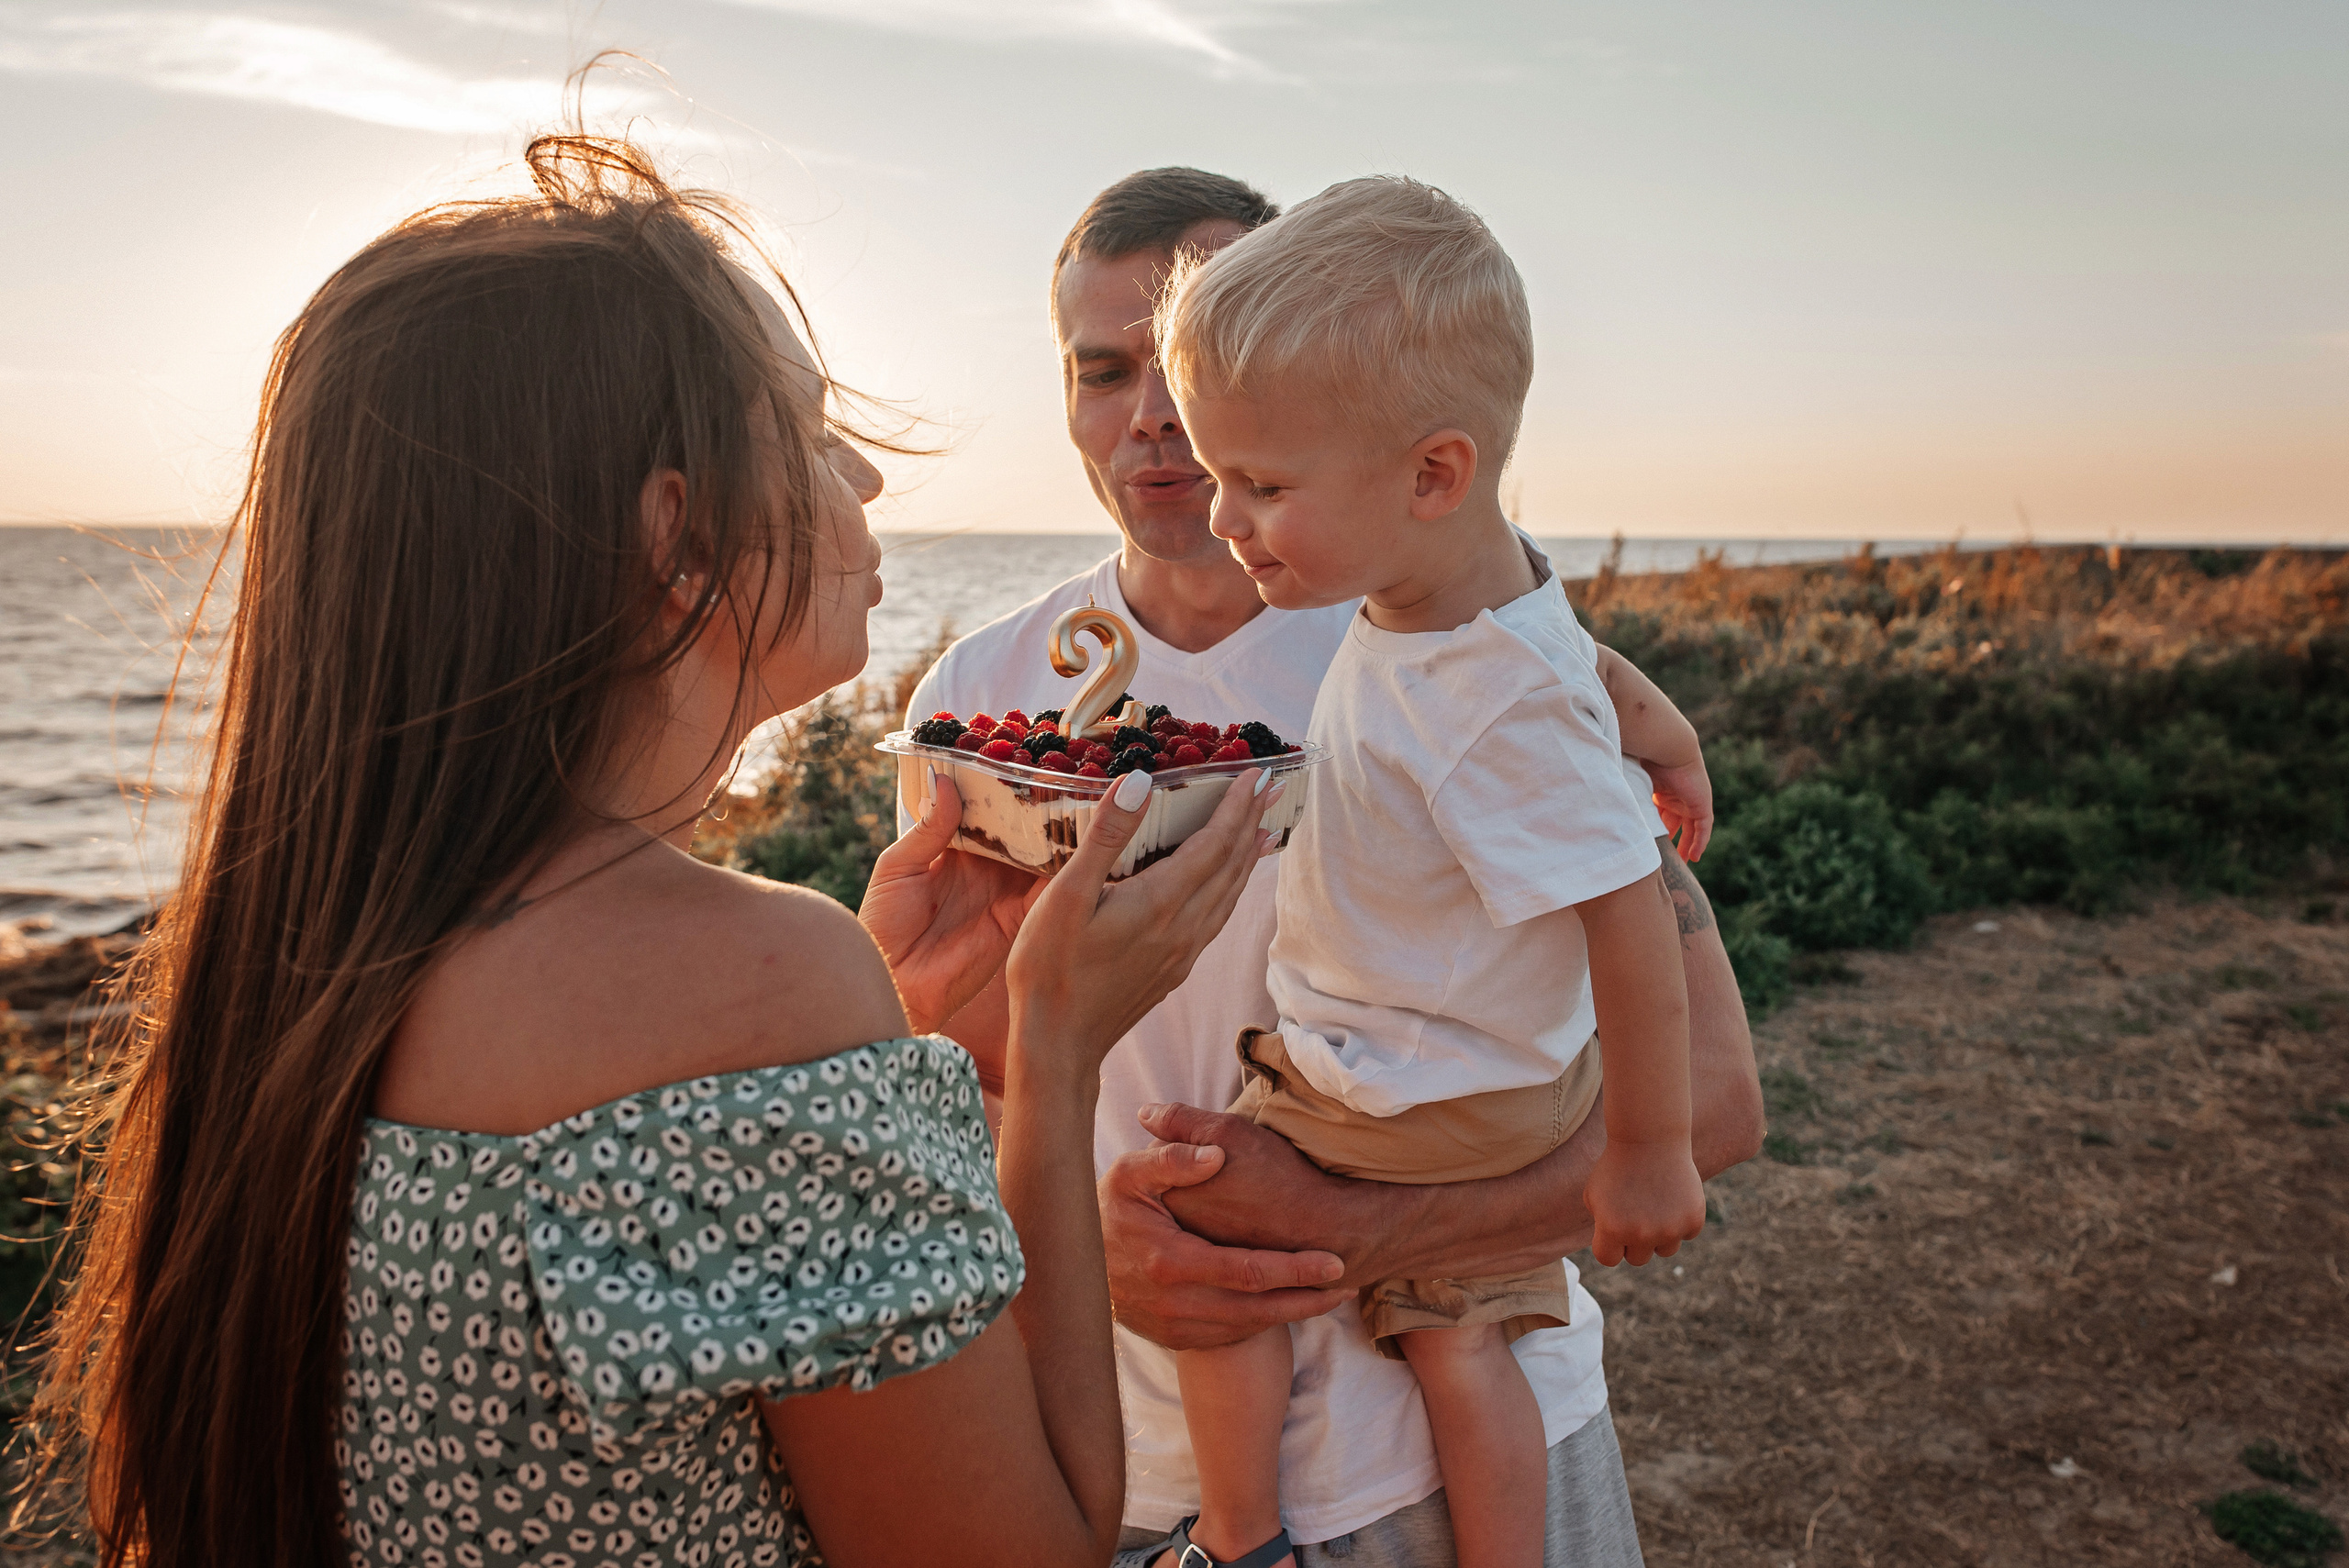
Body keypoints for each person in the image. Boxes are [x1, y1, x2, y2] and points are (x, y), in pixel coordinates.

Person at [26, 138, 1277, 1568]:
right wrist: (1054, 1050)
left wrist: (894, 1061)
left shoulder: (307, 963)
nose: (864, 475)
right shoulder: (761, 985)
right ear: (674, 533)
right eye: (807, 433)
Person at [904, 168, 1765, 1566]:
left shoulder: (1450, 644)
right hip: (1126, 1472)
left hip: (1449, 1463)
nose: (1154, 414)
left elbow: (1714, 1100)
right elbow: (975, 1094)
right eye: (1104, 369)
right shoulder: (978, 704)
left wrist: (1346, 1234)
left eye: (1190, 365)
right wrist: (1094, 1257)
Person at [1154, 174, 1707, 1568]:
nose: (1224, 517)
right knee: (1458, 1341)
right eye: (1220, 477)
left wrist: (1650, 1149)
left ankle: (1236, 1533)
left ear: (1432, 475)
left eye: (1263, 486)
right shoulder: (1468, 594)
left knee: (1192, 1215)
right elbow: (1575, 662)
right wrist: (1670, 735)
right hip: (1482, 1077)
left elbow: (1628, 913)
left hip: (1414, 1087)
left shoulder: (1481, 698)